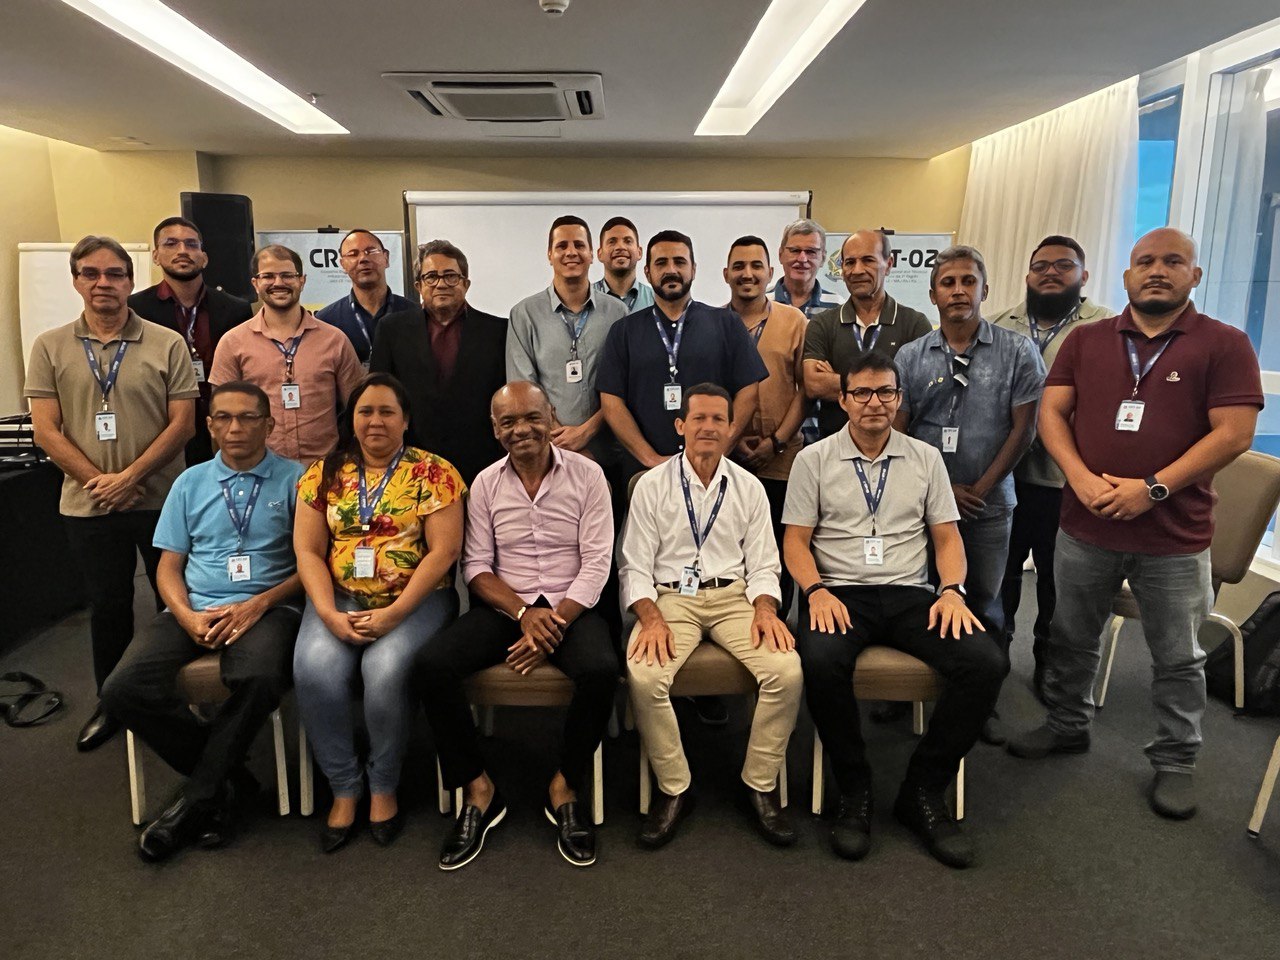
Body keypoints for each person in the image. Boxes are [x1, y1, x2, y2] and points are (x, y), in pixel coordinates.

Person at [1007, 228, 1262, 821]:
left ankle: (1176, 759)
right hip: (1085, 523)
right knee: (1071, 635)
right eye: (1145, 261)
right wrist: (1077, 477)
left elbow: (1234, 433)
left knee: (1178, 656)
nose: (1157, 271)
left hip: (1173, 536)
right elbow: (1052, 414)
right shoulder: (1088, 340)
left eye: (1173, 261)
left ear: (1194, 275)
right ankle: (1067, 724)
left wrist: (1152, 489)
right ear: (1126, 276)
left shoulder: (1224, 343)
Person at [783, 350, 1005, 869]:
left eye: (885, 391)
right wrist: (815, 592)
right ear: (843, 400)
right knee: (820, 661)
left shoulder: (925, 458)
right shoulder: (814, 459)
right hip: (840, 592)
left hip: (911, 593)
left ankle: (922, 791)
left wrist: (952, 591)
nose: (874, 402)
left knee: (986, 662)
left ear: (899, 398)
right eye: (862, 392)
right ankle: (854, 789)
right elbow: (795, 541)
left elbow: (946, 537)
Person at [416, 382, 618, 870]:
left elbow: (597, 562)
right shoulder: (485, 483)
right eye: (507, 421)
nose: (521, 429)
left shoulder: (588, 475)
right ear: (494, 429)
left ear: (551, 416)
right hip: (508, 608)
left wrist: (554, 621)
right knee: (431, 666)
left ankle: (564, 785)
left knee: (601, 669)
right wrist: (526, 615)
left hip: (571, 605)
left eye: (531, 417)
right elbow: (476, 568)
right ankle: (479, 788)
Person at [100, 382, 303, 862]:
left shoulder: (297, 480)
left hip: (268, 609)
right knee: (121, 689)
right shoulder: (189, 482)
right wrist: (186, 615)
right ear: (209, 426)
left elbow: (310, 564)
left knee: (257, 677)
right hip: (193, 607)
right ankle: (228, 782)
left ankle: (193, 802)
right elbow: (168, 567)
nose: (235, 428)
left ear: (269, 424)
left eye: (248, 417)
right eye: (224, 418)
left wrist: (257, 604)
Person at [25, 235, 199, 751]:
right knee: (108, 605)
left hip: (162, 500)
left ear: (130, 280)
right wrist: (99, 482)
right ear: (76, 281)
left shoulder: (167, 342)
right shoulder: (50, 346)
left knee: (175, 600)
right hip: (88, 504)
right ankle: (114, 700)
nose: (104, 283)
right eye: (91, 273)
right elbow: (45, 430)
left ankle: (177, 695)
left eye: (115, 274)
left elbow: (183, 424)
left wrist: (130, 476)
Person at [620, 384, 802, 849]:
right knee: (644, 675)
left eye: (718, 419)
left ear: (729, 428)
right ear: (680, 426)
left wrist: (766, 608)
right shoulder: (652, 485)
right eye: (698, 418)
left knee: (786, 670)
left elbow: (765, 564)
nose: (708, 427)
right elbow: (634, 566)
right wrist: (651, 618)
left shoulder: (749, 487)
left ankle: (759, 784)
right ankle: (674, 788)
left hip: (734, 599)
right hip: (671, 601)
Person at [292, 373, 465, 852]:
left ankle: (384, 783)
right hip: (339, 598)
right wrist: (326, 612)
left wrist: (396, 613)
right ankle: (345, 786)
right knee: (314, 670)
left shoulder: (434, 472)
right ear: (351, 419)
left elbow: (444, 552)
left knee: (383, 671)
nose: (375, 421)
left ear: (405, 420)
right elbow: (308, 551)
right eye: (365, 411)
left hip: (418, 600)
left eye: (387, 411)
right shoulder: (323, 474)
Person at [893, 245, 1046, 743]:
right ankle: (907, 693)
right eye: (948, 282)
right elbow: (899, 432)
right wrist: (939, 491)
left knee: (984, 601)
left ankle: (981, 702)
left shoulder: (1018, 351)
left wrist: (978, 488)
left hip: (988, 504)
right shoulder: (910, 356)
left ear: (985, 289)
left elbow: (1024, 430)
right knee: (919, 596)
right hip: (921, 505)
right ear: (933, 294)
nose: (958, 291)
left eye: (967, 281)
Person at [991, 236, 1115, 697]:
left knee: (1057, 582)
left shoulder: (1106, 329)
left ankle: (1051, 668)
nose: (1050, 273)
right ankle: (994, 661)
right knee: (999, 577)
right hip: (1004, 476)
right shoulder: (999, 324)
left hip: (1065, 480)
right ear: (1027, 275)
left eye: (1063, 265)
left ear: (1084, 275)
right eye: (1041, 265)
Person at [598, 229, 768, 476]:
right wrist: (650, 458)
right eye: (661, 263)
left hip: (713, 470)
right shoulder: (623, 331)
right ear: (647, 272)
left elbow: (749, 391)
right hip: (645, 472)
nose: (671, 270)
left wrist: (718, 449)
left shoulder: (727, 323)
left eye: (679, 262)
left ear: (694, 269)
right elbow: (611, 401)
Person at [208, 244, 364, 463]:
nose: (278, 283)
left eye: (287, 275)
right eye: (268, 276)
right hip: (259, 472)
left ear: (302, 281)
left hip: (323, 470)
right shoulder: (232, 343)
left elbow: (358, 409)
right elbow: (222, 420)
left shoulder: (335, 340)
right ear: (255, 283)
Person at [370, 239, 508, 485]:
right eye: (431, 277)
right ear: (419, 286)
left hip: (481, 466)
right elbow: (380, 395)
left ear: (466, 283)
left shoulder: (498, 331)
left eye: (451, 276)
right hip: (412, 464)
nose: (441, 283)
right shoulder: (392, 330)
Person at [129, 216, 254, 465]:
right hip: (161, 430)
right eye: (171, 243)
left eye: (191, 244)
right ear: (156, 256)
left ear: (204, 258)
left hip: (224, 428)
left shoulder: (236, 309)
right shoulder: (135, 309)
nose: (182, 251)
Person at [724, 235, 807, 606]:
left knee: (777, 547)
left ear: (770, 272)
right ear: (725, 274)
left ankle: (776, 620)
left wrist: (777, 441)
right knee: (731, 546)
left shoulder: (794, 321)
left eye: (756, 266)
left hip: (783, 460)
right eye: (739, 266)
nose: (748, 274)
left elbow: (805, 390)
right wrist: (732, 438)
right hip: (729, 456)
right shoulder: (712, 322)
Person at [507, 215, 627, 463]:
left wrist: (586, 432)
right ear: (549, 255)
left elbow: (625, 383)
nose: (571, 252)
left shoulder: (617, 312)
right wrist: (563, 441)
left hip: (610, 451)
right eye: (562, 246)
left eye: (579, 245)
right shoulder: (524, 315)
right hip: (548, 452)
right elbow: (524, 388)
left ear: (591, 254)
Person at [803, 229, 933, 439]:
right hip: (834, 450)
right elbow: (813, 385)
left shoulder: (914, 324)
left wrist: (838, 381)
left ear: (888, 264)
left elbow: (918, 392)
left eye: (868, 260)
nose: (857, 270)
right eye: (849, 262)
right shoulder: (822, 324)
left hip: (895, 448)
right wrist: (887, 389)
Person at [315, 229, 417, 367]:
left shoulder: (415, 314)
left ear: (386, 258)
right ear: (343, 265)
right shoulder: (326, 321)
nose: (363, 258)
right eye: (353, 254)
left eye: (371, 251)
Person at [768, 219, 840, 319]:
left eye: (811, 252)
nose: (802, 259)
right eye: (795, 250)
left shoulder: (837, 306)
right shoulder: (762, 302)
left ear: (823, 258)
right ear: (780, 255)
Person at [592, 216, 655, 313]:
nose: (620, 247)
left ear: (639, 252)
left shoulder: (656, 300)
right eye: (612, 242)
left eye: (628, 241)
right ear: (600, 254)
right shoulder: (585, 299)